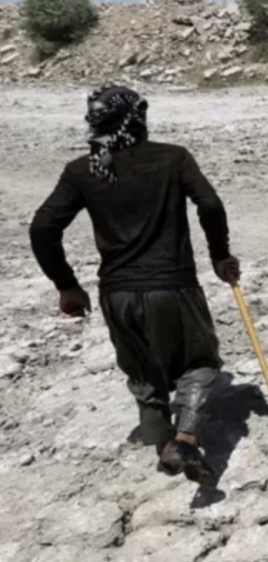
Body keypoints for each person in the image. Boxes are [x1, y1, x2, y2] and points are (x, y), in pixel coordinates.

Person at [28, 82, 240, 486]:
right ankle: (187, 435)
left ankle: (165, 450)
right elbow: (210, 204)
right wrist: (219, 254)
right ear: (138, 117)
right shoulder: (173, 158)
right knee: (200, 362)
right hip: (173, 286)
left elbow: (42, 228)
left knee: (144, 375)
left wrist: (66, 285)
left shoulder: (84, 170)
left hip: (117, 294)